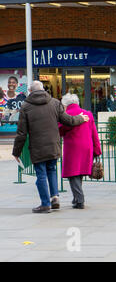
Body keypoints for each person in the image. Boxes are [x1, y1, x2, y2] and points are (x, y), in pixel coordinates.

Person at [12, 81, 89, 214]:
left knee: (41, 175)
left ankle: (45, 204)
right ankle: (55, 198)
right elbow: (68, 121)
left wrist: (16, 152)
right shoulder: (54, 103)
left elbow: (21, 133)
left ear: (30, 91)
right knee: (52, 171)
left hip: (37, 147)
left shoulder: (26, 107)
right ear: (43, 89)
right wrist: (81, 118)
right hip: (53, 145)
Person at [59, 93, 102, 209]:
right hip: (87, 146)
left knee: (73, 173)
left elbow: (60, 130)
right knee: (79, 172)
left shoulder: (65, 115)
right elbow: (94, 133)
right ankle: (76, 198)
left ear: (65, 104)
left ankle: (79, 199)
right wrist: (97, 150)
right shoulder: (88, 114)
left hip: (73, 147)